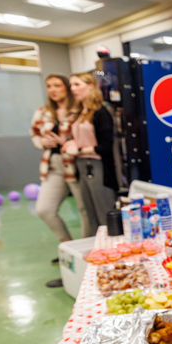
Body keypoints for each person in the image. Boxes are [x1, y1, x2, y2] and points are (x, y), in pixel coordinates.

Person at [30, 74, 88, 248]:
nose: (52, 90)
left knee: (84, 210)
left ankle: (86, 248)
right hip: (53, 165)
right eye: (49, 86)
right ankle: (68, 246)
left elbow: (90, 135)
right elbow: (34, 134)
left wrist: (68, 143)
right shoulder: (43, 111)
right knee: (44, 209)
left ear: (67, 88)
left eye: (57, 85)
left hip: (76, 165)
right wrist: (42, 142)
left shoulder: (79, 109)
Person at [63, 73, 118, 237]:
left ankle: (112, 250)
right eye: (71, 85)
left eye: (77, 84)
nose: (73, 89)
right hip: (82, 166)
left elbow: (106, 146)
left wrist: (80, 150)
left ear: (90, 86)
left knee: (104, 213)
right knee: (90, 213)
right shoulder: (80, 112)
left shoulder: (101, 112)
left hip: (98, 167)